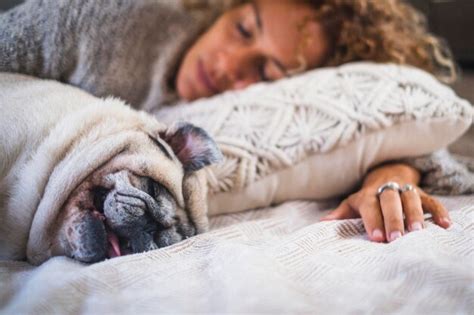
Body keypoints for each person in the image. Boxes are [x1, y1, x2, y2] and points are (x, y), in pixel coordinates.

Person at [0, 0, 463, 243]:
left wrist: (388, 177)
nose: (227, 64)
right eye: (243, 28)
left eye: (265, 72)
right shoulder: (104, 19)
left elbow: (402, 126)